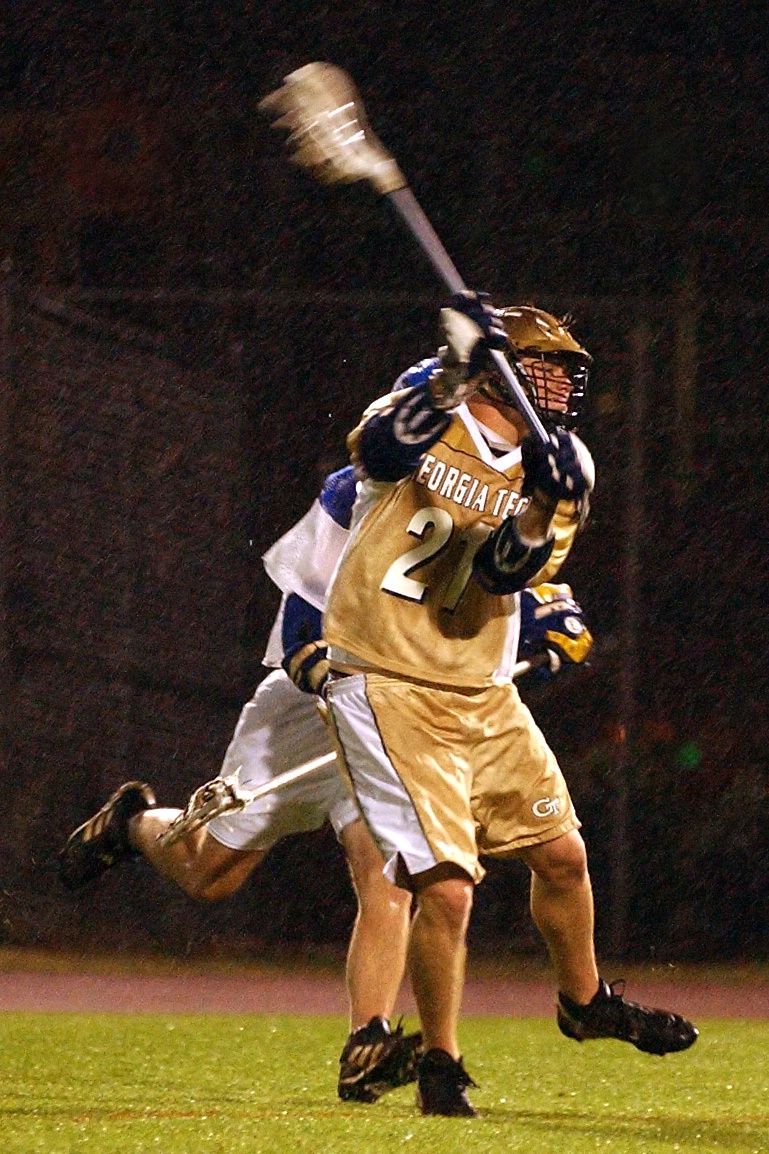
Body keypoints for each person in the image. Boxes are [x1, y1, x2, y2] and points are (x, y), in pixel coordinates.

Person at [57, 456, 593, 1105]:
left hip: (406, 715)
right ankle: (133, 824)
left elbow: (492, 589)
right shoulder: (369, 487)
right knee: (209, 871)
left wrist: (544, 622)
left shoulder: (488, 492)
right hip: (317, 705)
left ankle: (366, 1042)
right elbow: (309, 610)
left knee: (389, 872)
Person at [321, 291, 698, 1117]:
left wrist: (533, 512)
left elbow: (501, 573)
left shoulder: (564, 463)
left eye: (567, 373)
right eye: (543, 368)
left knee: (561, 854)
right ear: (497, 369)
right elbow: (377, 453)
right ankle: (440, 1062)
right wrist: (451, 373)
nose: (560, 385)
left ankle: (585, 1002)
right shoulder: (430, 396)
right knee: (448, 886)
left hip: (480, 685)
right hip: (386, 675)